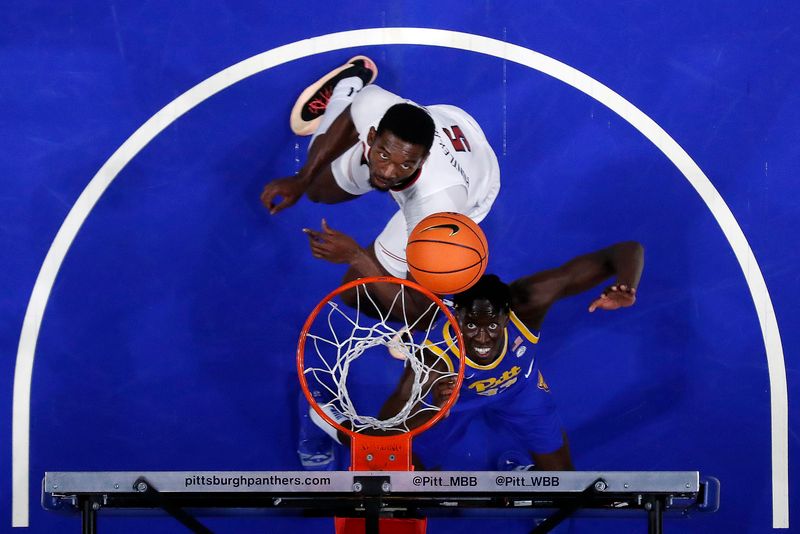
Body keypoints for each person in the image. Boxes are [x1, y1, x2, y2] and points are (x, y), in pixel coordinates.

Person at [373, 240, 645, 471]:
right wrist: (435, 409)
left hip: (520, 389)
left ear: (507, 316)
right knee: (408, 466)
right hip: (455, 399)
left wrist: (626, 284)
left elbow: (626, 250)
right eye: (471, 326)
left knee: (562, 474)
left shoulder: (528, 301)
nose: (481, 338)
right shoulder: (435, 358)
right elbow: (385, 430)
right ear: (457, 317)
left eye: (492, 326)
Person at [261, 55, 501, 288]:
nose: (387, 172)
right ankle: (349, 82)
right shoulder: (374, 105)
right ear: (372, 135)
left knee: (359, 290)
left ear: (423, 159)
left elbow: (421, 308)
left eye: (404, 164)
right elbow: (351, 118)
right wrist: (302, 178)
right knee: (316, 189)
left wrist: (356, 256)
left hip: (471, 190)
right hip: (449, 128)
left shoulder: (434, 213)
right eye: (383, 155)